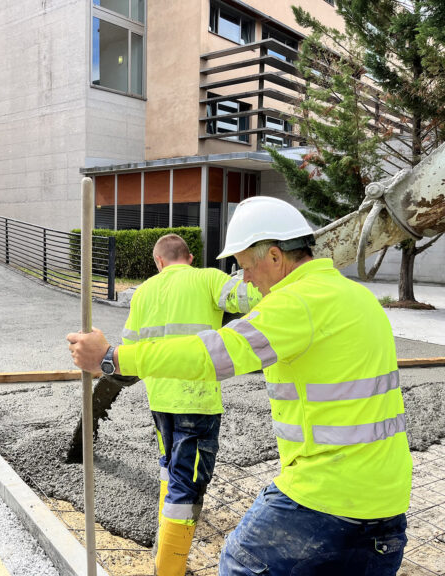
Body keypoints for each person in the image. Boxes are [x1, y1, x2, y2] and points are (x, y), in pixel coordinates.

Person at [68, 196, 411, 576]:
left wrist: (111, 357)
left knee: (241, 561)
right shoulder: (360, 298)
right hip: (388, 504)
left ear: (276, 257)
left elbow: (215, 354)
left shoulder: (297, 303)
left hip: (324, 497)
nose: (244, 278)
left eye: (246, 266)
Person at [121, 233, 261, 576]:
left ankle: (163, 554)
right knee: (189, 483)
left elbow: (129, 351)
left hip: (161, 401)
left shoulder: (143, 292)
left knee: (170, 469)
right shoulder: (207, 278)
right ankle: (168, 569)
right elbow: (253, 296)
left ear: (159, 262)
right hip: (197, 401)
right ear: (190, 256)